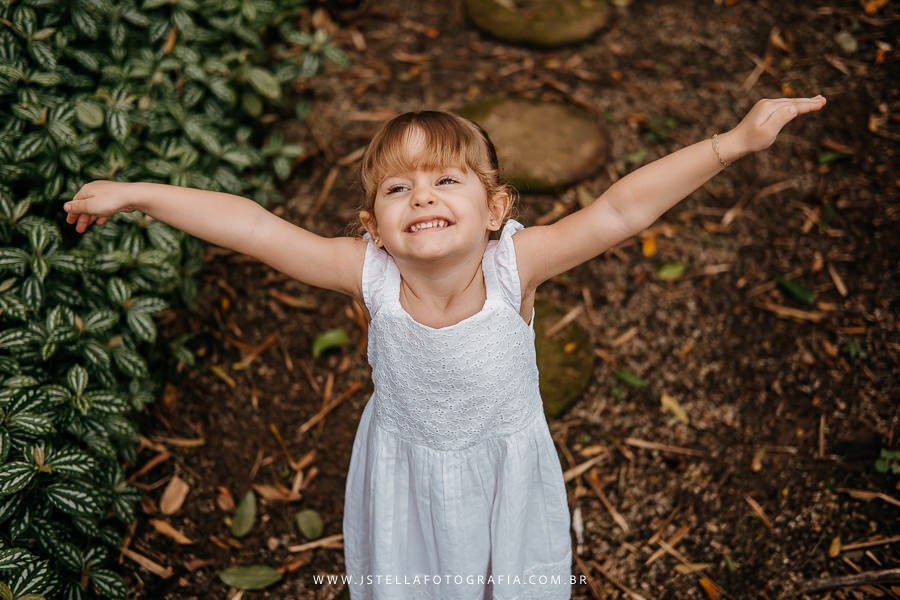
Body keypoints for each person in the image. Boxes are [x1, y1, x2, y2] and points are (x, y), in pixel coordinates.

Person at [64, 95, 826, 599]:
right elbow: (255, 227)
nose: (421, 195)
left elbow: (621, 210)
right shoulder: (365, 272)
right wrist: (140, 194)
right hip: (404, 472)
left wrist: (733, 143)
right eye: (398, 188)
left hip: (504, 471)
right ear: (373, 226)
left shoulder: (516, 266)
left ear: (495, 208)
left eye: (445, 181)